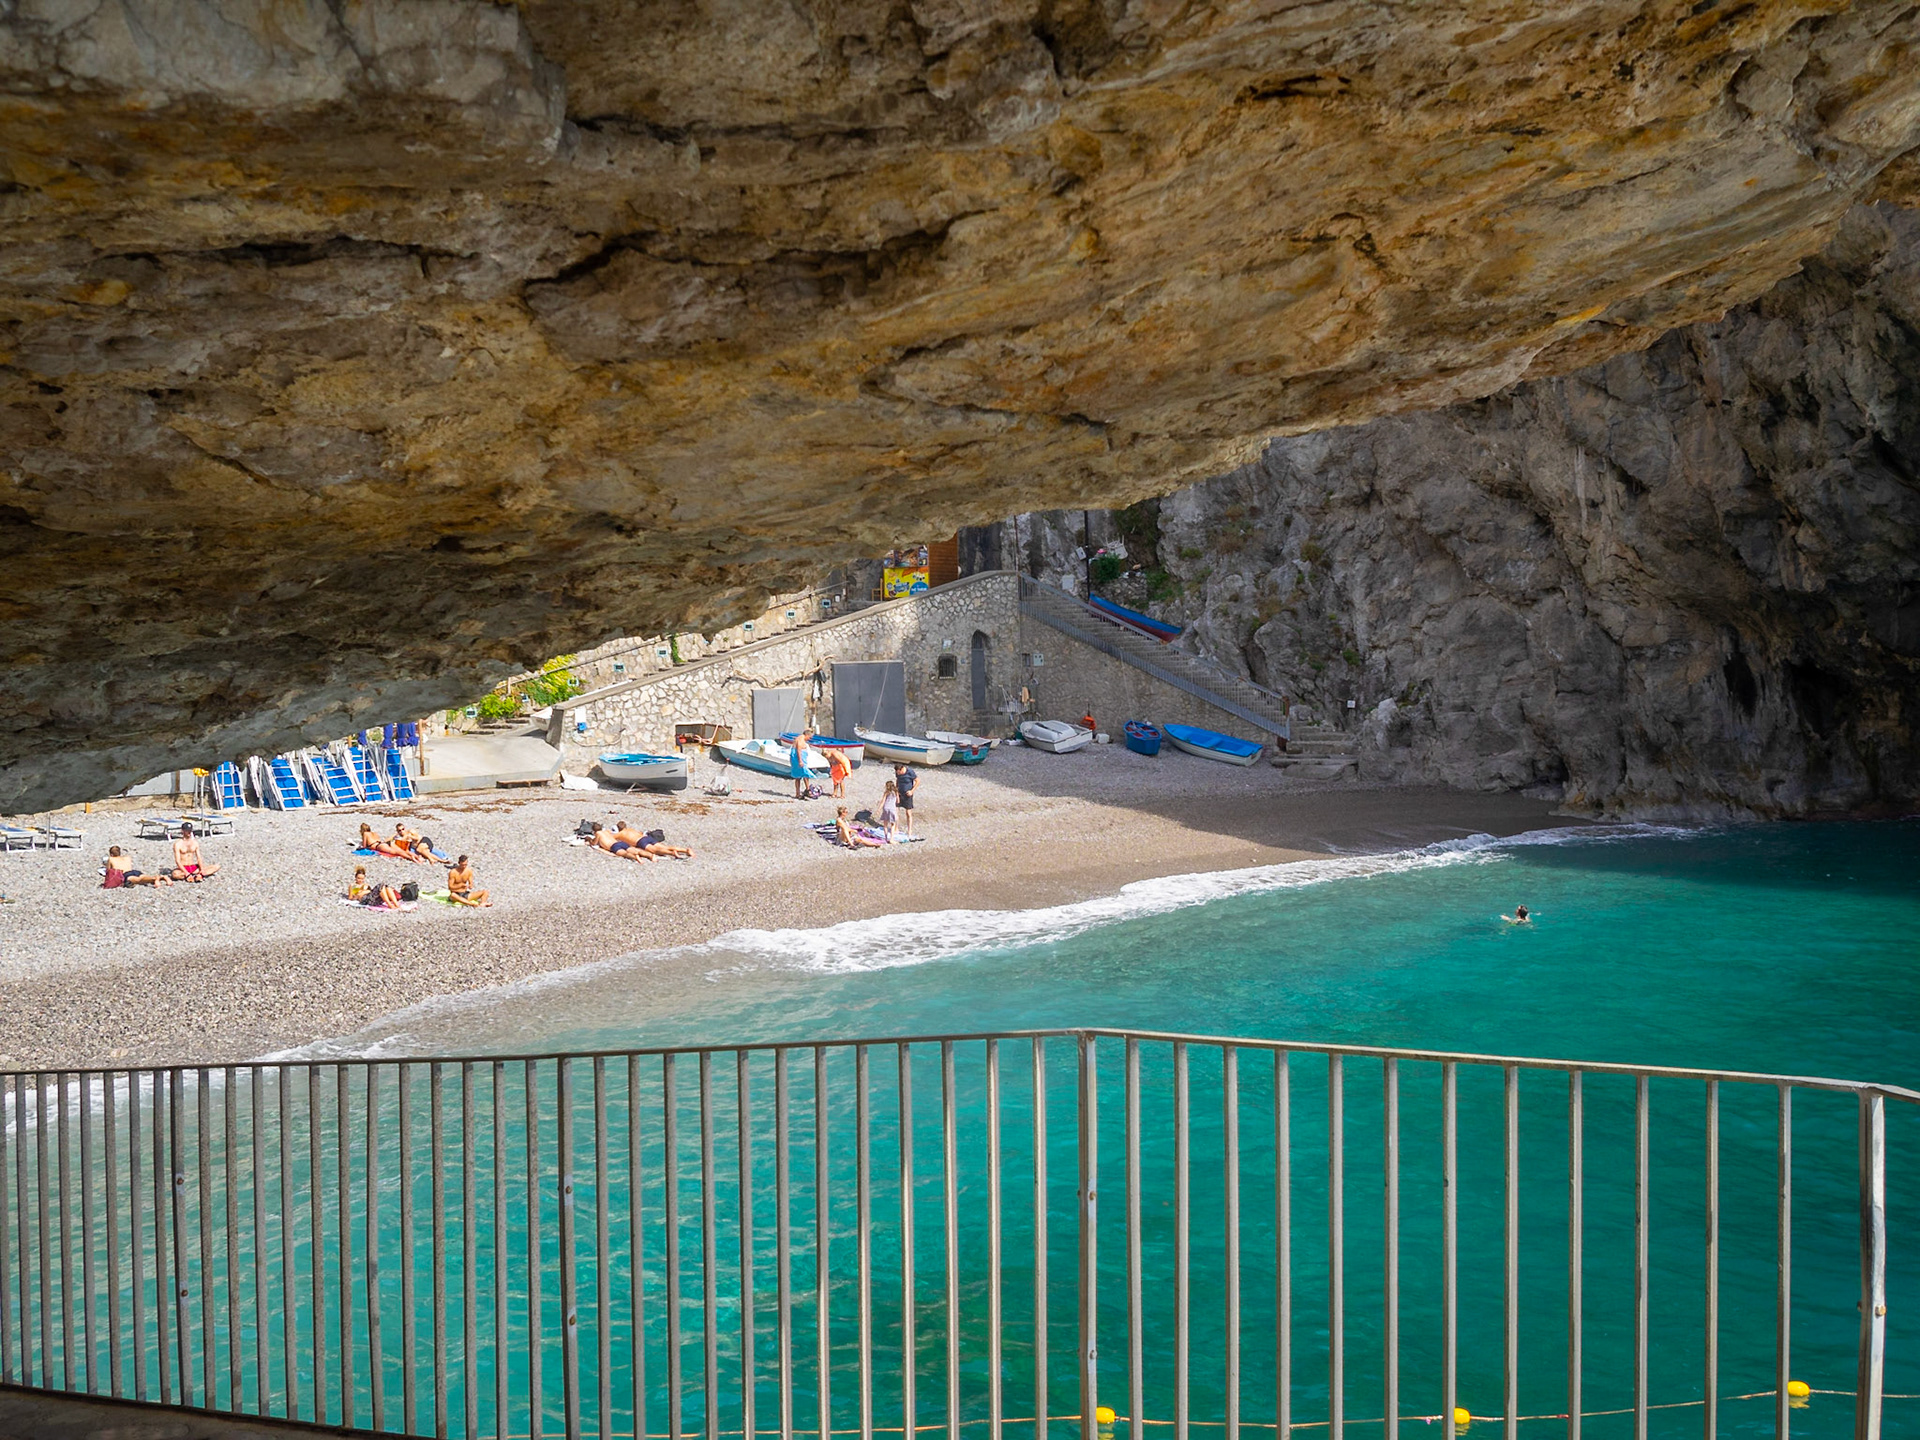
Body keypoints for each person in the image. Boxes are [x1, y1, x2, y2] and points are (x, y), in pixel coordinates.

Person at [103, 845, 169, 888]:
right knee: (143, 877)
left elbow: (108, 871)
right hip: (134, 871)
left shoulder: (111, 859)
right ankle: (162, 877)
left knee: (139, 880)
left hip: (125, 874)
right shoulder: (127, 858)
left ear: (111, 854)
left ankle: (155, 879)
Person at [589, 821, 656, 862]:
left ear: (594, 830)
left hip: (614, 846)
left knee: (625, 854)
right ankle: (650, 855)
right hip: (620, 843)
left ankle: (636, 857)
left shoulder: (598, 833)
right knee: (636, 850)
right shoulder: (606, 831)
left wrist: (590, 840)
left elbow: (594, 843)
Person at [892, 760, 918, 837]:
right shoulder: (897, 773)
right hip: (899, 793)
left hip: (907, 794)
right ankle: (896, 828)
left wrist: (912, 791)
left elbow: (918, 781)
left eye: (899, 772)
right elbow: (897, 781)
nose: (898, 774)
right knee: (896, 811)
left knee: (908, 813)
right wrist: (896, 792)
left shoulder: (910, 772)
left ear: (902, 769)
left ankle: (909, 831)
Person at [789, 729, 814, 799]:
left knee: (799, 775)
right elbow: (798, 750)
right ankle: (806, 790)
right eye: (809, 737)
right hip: (799, 758)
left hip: (798, 757)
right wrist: (800, 760)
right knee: (804, 773)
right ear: (807, 735)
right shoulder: (800, 739)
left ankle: (800, 792)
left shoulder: (799, 738)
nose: (809, 739)